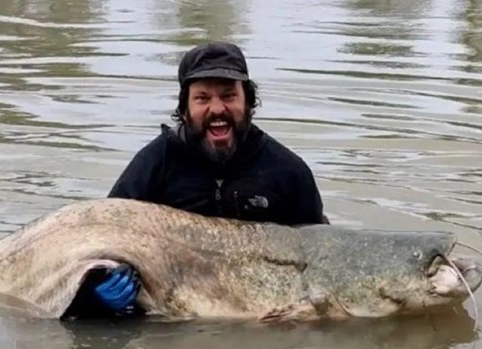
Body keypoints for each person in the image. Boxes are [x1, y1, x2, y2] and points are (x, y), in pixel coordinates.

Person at [61, 41, 328, 320]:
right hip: (167, 326)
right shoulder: (155, 163)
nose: (217, 109)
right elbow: (100, 239)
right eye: (202, 98)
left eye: (229, 96)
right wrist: (93, 294)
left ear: (247, 101)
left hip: (262, 323)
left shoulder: (288, 171)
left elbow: (321, 256)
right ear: (185, 108)